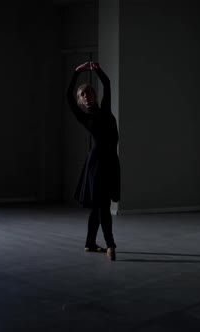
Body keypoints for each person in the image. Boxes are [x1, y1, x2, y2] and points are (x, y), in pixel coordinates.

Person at [66, 61, 121, 261]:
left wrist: (95, 68)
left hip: (111, 163)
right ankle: (110, 244)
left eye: (88, 93)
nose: (85, 96)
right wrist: (75, 72)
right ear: (80, 101)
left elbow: (106, 83)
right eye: (82, 95)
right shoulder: (84, 117)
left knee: (98, 206)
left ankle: (90, 243)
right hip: (96, 165)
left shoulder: (105, 110)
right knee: (103, 206)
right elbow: (67, 96)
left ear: (93, 95)